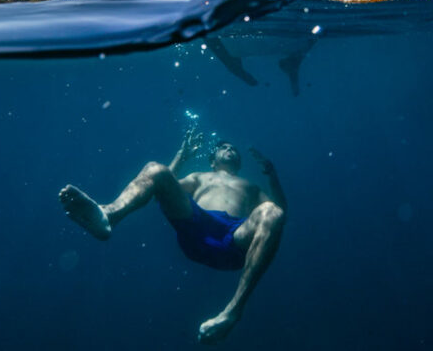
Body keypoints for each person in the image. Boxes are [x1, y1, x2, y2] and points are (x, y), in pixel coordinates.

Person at [58, 129, 286, 344]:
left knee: (273, 212)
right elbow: (162, 187)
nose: (229, 149)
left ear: (239, 161)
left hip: (234, 238)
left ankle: (232, 311)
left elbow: (279, 213)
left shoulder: (252, 187)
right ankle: (108, 216)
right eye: (223, 147)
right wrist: (181, 156)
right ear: (212, 160)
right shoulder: (200, 176)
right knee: (155, 169)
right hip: (196, 226)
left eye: (233, 148)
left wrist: (273, 175)